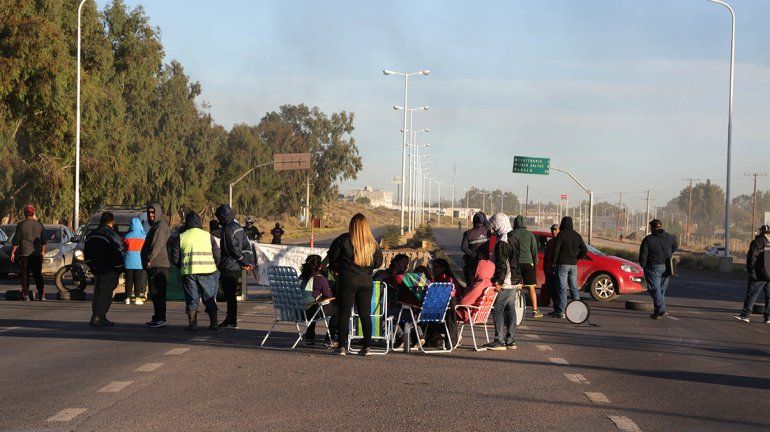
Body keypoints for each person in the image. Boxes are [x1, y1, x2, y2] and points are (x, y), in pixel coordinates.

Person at [327, 213, 383, 356]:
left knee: (344, 314)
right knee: (365, 314)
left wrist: (339, 268)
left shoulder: (343, 239)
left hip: (348, 281)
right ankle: (367, 347)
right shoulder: (372, 243)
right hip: (366, 282)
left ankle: (341, 347)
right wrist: (367, 270)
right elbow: (378, 262)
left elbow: (332, 257)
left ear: (352, 225)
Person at [169, 212, 221, 331]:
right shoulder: (208, 236)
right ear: (199, 222)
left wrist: (182, 267)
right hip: (207, 272)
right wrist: (214, 265)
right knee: (209, 297)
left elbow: (175, 258)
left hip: (189, 272)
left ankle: (193, 324)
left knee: (192, 298)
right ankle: (214, 323)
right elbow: (217, 255)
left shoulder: (181, 237)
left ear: (186, 222)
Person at [484, 212, 522, 350]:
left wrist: (498, 282)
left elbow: (502, 265)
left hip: (505, 281)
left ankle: (499, 340)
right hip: (514, 280)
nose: (493, 228)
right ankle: (510, 340)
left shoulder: (502, 242)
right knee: (510, 309)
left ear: (500, 224)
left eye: (494, 225)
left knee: (497, 309)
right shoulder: (513, 237)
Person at [214, 204, 254, 328]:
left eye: (219, 217)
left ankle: (231, 320)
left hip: (229, 266)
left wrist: (243, 261)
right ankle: (231, 319)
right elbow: (247, 246)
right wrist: (246, 262)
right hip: (236, 267)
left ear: (223, 216)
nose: (218, 220)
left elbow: (231, 249)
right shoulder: (238, 227)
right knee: (231, 295)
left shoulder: (227, 229)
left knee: (229, 295)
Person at [84, 212, 125, 326]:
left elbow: (86, 251)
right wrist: (119, 267)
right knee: (106, 293)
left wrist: (90, 264)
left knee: (98, 292)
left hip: (95, 269)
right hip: (109, 269)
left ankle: (96, 315)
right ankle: (99, 317)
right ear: (112, 222)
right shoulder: (112, 235)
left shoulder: (92, 234)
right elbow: (118, 251)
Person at [639, 219, 679, 319]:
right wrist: (668, 252)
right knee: (661, 290)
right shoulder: (670, 237)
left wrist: (642, 265)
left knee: (654, 289)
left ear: (652, 227)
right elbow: (675, 247)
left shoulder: (648, 239)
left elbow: (643, 254)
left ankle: (662, 309)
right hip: (667, 266)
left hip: (653, 267)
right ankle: (657, 313)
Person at [551, 216, 587, 319]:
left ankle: (561, 311)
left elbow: (556, 250)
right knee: (574, 288)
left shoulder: (561, 234)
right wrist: (577, 258)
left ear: (562, 223)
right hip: (573, 265)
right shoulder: (576, 235)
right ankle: (578, 310)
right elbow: (584, 250)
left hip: (562, 264)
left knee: (562, 288)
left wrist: (554, 261)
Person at [142, 203, 171, 328]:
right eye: (149, 212)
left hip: (158, 264)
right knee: (154, 294)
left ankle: (160, 318)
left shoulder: (161, 226)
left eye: (153, 212)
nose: (151, 215)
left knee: (158, 294)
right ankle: (157, 317)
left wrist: (149, 258)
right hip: (154, 264)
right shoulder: (155, 226)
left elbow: (157, 245)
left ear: (158, 212)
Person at [734, 225, 770, 323]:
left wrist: (752, 272)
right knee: (769, 296)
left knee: (752, 294)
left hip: (759, 275)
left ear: (761, 232)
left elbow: (751, 258)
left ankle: (745, 315)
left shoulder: (756, 242)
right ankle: (768, 317)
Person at [9, 205, 46, 301]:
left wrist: (12, 253)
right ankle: (42, 294)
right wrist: (43, 252)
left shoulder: (21, 225)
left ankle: (25, 295)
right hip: (37, 255)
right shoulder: (39, 224)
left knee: (25, 275)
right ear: (33, 213)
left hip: (24, 254)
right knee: (38, 274)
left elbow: (16, 240)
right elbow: (44, 241)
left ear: (24, 213)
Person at [299, 255, 337, 346]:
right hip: (313, 310)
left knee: (312, 305)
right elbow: (328, 296)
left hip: (299, 311)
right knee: (338, 311)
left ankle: (309, 337)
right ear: (320, 266)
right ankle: (330, 338)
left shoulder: (300, 277)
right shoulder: (320, 279)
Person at [511, 215, 542, 318]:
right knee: (531, 287)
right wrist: (534, 263)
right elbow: (534, 251)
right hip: (528, 263)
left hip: (515, 263)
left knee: (516, 286)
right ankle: (535, 310)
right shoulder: (530, 234)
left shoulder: (512, 233)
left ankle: (514, 310)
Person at [461, 212, 491, 285]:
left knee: (471, 285)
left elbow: (464, 247)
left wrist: (474, 255)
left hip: (472, 263)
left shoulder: (468, 233)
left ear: (473, 221)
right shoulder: (488, 232)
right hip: (485, 263)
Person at [123, 217, 147, 305]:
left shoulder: (127, 236)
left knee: (129, 281)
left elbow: (124, 247)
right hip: (139, 262)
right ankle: (137, 298)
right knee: (138, 280)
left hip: (128, 261)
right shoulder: (144, 237)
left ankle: (127, 298)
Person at [543, 224, 560, 311]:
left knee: (558, 290)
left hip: (558, 270)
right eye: (552, 230)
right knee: (551, 290)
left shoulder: (561, 242)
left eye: (555, 230)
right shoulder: (550, 242)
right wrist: (545, 269)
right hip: (549, 270)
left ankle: (559, 309)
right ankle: (555, 308)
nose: (553, 231)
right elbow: (546, 257)